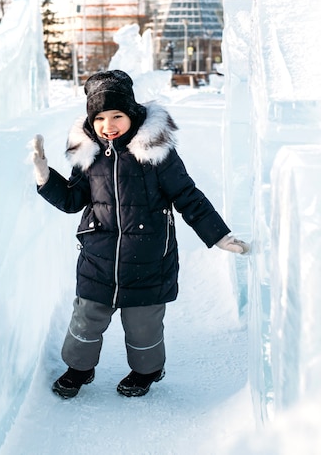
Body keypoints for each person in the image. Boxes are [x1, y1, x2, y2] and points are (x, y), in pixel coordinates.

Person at [31, 70, 248, 399]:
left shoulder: (155, 152)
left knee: (143, 326)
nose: (109, 125)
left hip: (147, 259)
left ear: (131, 113)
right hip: (98, 258)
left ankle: (146, 372)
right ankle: (79, 368)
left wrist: (218, 235)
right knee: (86, 319)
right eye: (100, 118)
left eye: (117, 115)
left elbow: (187, 196)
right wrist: (45, 175)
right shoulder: (88, 156)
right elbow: (73, 200)